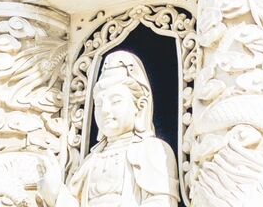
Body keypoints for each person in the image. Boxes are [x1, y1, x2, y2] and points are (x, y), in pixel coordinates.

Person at [57, 51, 179, 207]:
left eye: (115, 101)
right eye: (99, 104)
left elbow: (161, 203)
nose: (105, 110)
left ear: (140, 106)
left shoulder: (154, 150)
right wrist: (54, 192)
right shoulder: (90, 161)